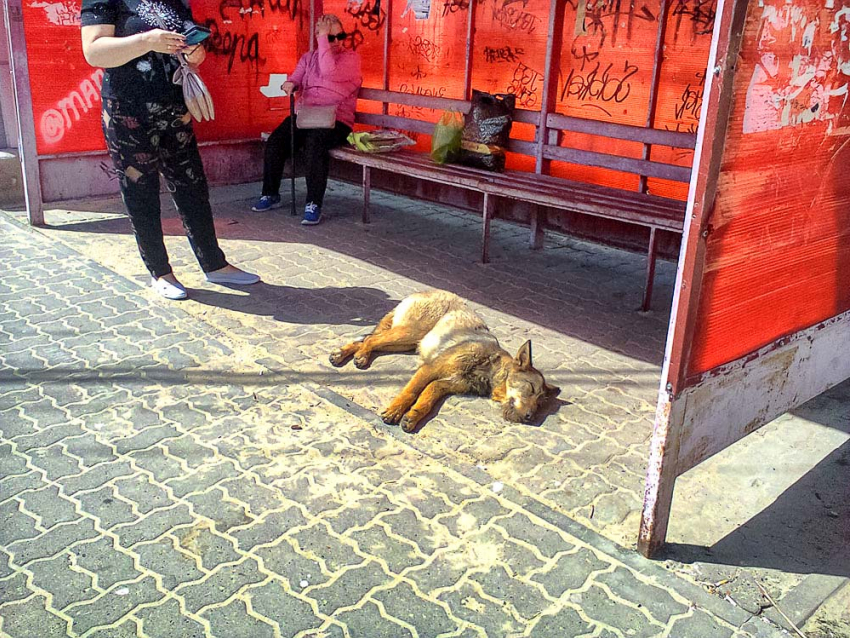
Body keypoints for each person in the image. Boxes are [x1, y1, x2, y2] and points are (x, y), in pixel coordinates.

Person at [80, 0, 260, 300]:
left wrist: (194, 52)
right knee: (141, 191)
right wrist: (146, 41)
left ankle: (214, 264)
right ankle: (160, 271)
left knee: (193, 187)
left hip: (175, 107)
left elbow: (191, 51)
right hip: (128, 110)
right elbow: (93, 51)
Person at [252, 14, 362, 225]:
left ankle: (313, 203)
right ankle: (270, 193)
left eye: (341, 36)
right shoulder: (308, 58)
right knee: (276, 141)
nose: (337, 41)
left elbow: (329, 71)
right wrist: (291, 84)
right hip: (307, 115)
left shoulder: (351, 58)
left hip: (336, 120)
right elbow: (296, 76)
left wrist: (324, 40)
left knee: (315, 145)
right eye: (331, 38)